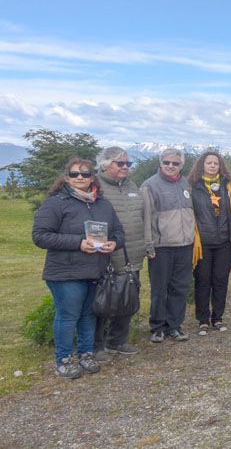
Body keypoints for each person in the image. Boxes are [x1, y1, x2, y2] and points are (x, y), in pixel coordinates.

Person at [32, 157, 124, 378]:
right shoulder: (56, 202)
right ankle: (63, 360)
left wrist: (115, 242)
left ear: (93, 177)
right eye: (75, 174)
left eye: (85, 174)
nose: (80, 177)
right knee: (68, 316)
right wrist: (78, 243)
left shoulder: (102, 203)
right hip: (65, 272)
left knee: (88, 315)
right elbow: (40, 236)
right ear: (67, 177)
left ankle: (85, 354)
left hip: (95, 269)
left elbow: (118, 231)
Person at [93, 147, 146, 359]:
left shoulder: (132, 185)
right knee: (104, 300)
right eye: (120, 163)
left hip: (132, 252)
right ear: (105, 165)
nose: (125, 167)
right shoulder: (96, 186)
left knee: (128, 298)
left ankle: (118, 341)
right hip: (106, 253)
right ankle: (96, 345)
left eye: (128, 164)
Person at [187, 151, 231, 335]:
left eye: (216, 163)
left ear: (220, 166)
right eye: (209, 163)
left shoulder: (228, 186)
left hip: (224, 242)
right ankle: (203, 320)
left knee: (220, 280)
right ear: (201, 165)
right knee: (203, 280)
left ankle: (218, 318)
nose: (212, 166)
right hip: (202, 242)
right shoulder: (192, 187)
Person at [141, 148, 196, 343]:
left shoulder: (186, 183)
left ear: (181, 165)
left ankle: (174, 325)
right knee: (159, 288)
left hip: (185, 244)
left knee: (180, 287)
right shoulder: (150, 185)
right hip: (161, 246)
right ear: (160, 163)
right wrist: (149, 245)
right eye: (167, 162)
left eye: (175, 163)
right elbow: (146, 218)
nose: (170, 166)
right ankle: (157, 326)